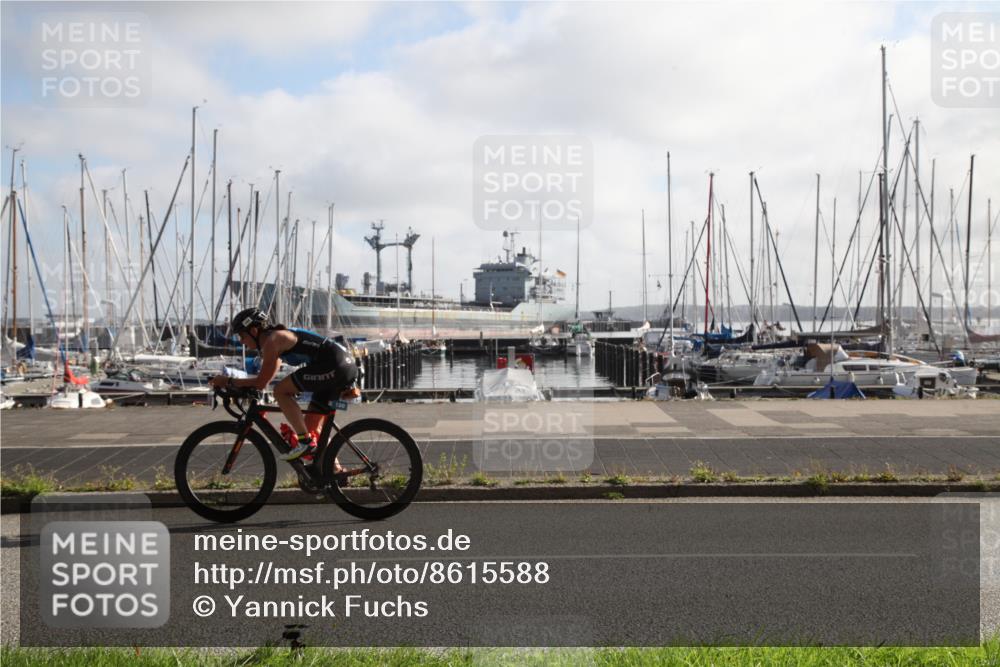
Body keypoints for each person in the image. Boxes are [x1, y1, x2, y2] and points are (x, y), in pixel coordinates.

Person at [210, 308, 358, 461]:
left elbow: (261, 382)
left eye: (242, 336)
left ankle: (304, 442)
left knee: (280, 391)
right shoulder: (275, 341)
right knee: (310, 428)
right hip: (339, 365)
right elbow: (263, 382)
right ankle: (332, 469)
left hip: (334, 365)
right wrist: (242, 388)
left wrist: (227, 381)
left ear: (253, 331)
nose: (241, 341)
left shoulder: (273, 341)